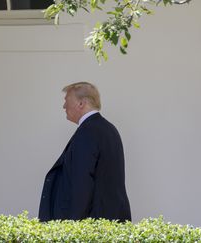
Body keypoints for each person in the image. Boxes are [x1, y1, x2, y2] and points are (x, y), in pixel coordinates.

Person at [38, 82, 131, 222]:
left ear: (81, 103)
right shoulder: (108, 129)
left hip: (93, 224)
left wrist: (73, 226)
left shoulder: (88, 132)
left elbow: (81, 183)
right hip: (110, 221)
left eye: (66, 101)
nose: (64, 106)